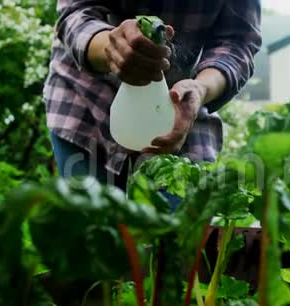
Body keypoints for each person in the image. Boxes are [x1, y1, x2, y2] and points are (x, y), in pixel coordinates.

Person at [43, 0, 262, 191]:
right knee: (92, 228)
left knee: (177, 231)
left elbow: (238, 40)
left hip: (180, 106)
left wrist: (201, 89)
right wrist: (111, 48)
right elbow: (76, 10)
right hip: (87, 101)